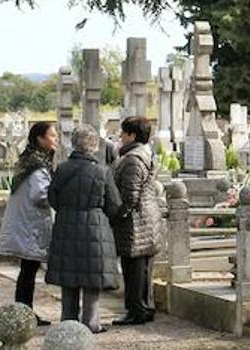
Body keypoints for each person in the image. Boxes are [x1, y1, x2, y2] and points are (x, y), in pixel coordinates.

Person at [46, 127, 123, 331]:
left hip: (66, 224)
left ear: (73, 143)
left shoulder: (62, 169)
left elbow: (52, 197)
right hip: (95, 226)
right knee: (92, 277)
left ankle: (68, 320)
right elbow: (114, 204)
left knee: (69, 276)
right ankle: (91, 322)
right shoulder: (102, 172)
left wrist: (67, 210)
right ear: (95, 146)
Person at [0, 122, 58, 326]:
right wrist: (58, 195)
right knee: (28, 270)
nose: (55, 139)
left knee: (27, 269)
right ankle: (24, 311)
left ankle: (24, 310)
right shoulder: (37, 166)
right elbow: (39, 195)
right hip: (30, 223)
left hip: (27, 222)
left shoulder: (31, 160)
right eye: (51, 135)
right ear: (40, 139)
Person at [111, 116, 164, 326]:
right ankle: (143, 308)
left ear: (132, 135)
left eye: (123, 133)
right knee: (142, 268)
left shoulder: (133, 159)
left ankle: (136, 310)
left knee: (134, 268)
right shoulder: (144, 154)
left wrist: (118, 214)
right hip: (146, 217)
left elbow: (130, 195)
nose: (120, 137)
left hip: (136, 221)